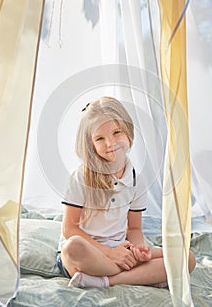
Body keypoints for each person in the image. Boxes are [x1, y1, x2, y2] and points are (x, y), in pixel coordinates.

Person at [57, 96, 196, 288]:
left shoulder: (136, 180)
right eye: (100, 138)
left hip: (121, 250)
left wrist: (139, 250)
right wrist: (108, 252)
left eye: (116, 132)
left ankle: (106, 281)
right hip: (89, 251)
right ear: (90, 144)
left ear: (128, 131)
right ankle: (138, 275)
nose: (110, 143)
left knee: (186, 258)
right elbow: (69, 229)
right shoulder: (81, 177)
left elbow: (134, 229)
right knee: (72, 247)